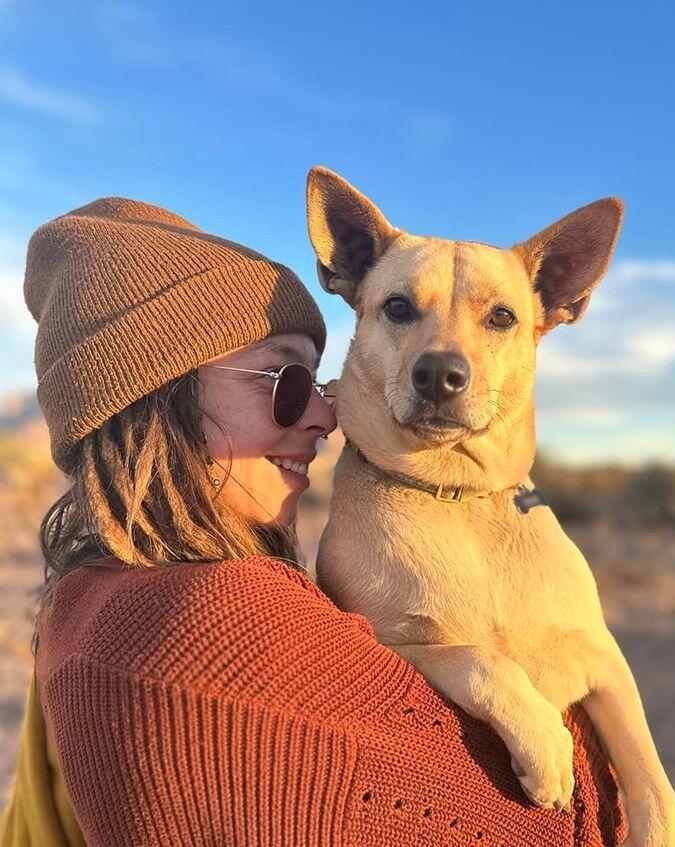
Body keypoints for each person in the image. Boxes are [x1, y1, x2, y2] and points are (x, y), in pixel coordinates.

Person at [0, 197, 626, 846]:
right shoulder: (203, 623)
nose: (324, 419)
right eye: (284, 382)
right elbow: (552, 821)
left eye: (321, 383)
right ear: (158, 398)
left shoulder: (83, 599)